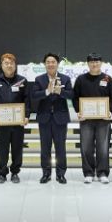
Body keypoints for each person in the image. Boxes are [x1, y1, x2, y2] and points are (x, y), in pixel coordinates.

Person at [0, 53, 29, 184]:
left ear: (15, 65)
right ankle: (2, 173)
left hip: (18, 122)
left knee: (17, 148)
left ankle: (15, 172)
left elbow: (27, 99)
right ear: (2, 65)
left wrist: (26, 116)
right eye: (6, 63)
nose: (9, 65)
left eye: (11, 63)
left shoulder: (22, 80)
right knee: (2, 148)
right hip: (2, 122)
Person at [72, 53, 112, 184]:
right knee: (86, 147)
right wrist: (79, 111)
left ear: (101, 63)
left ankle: (102, 173)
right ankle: (88, 173)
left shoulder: (108, 79)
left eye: (97, 61)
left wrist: (110, 111)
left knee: (103, 148)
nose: (94, 64)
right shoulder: (81, 79)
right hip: (86, 120)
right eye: (91, 62)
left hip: (103, 120)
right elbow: (75, 97)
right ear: (88, 63)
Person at [32, 53, 73, 184]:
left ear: (57, 64)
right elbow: (34, 95)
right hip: (44, 118)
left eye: (53, 62)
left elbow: (71, 95)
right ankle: (46, 173)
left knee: (60, 147)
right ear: (45, 64)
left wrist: (60, 92)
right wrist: (47, 92)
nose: (50, 64)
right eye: (48, 62)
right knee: (45, 147)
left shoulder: (65, 79)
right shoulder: (39, 79)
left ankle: (61, 174)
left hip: (60, 118)